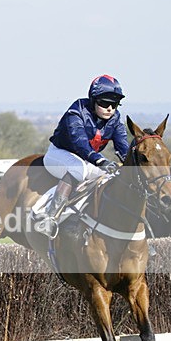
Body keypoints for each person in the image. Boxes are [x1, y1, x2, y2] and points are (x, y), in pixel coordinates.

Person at [35, 75, 129, 235]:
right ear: (93, 100)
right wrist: (100, 160)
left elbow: (123, 147)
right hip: (59, 154)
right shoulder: (76, 111)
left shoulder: (115, 119)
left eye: (114, 104)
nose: (110, 109)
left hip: (87, 161)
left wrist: (133, 164)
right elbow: (80, 142)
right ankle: (50, 217)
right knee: (78, 169)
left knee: (110, 178)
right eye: (104, 103)